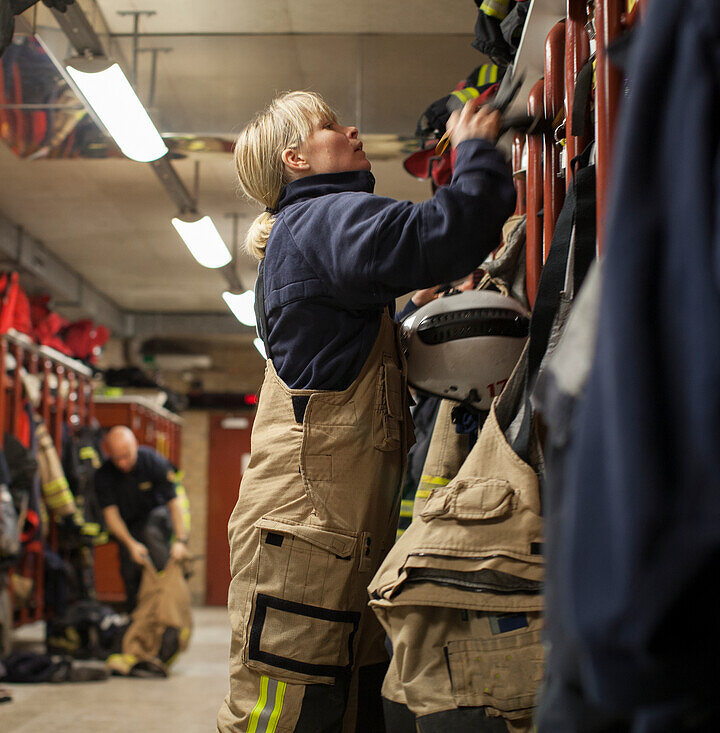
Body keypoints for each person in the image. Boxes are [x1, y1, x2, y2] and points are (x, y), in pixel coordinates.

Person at [218, 90, 514, 732]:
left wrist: (411, 311)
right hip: (308, 545)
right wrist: (476, 154)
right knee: (282, 716)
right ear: (295, 158)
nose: (350, 129)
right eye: (328, 127)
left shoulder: (306, 235)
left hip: (320, 544)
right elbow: (450, 234)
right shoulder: (323, 219)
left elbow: (340, 360)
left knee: (334, 710)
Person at [94, 426, 187, 604]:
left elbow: (174, 504)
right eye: (117, 458)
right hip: (128, 526)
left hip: (157, 521)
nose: (122, 463)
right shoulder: (104, 475)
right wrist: (131, 545)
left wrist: (180, 541)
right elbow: (111, 514)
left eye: (126, 456)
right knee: (129, 571)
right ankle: (137, 616)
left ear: (135, 445)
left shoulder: (154, 462)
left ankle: (170, 614)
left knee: (151, 534)